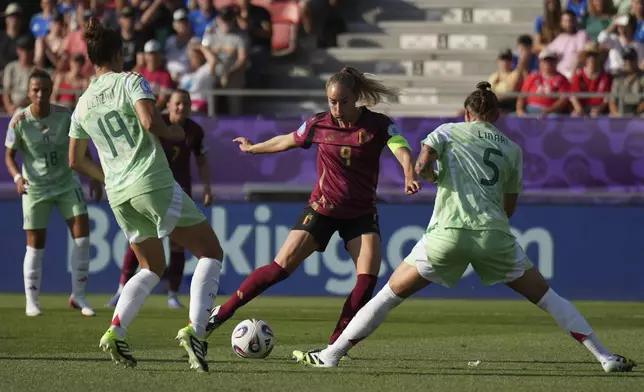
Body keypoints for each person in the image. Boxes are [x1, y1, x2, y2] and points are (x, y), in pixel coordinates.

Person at [294, 82, 637, 374]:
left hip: (448, 233)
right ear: (496, 116)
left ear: (466, 113)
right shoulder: (513, 150)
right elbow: (510, 207)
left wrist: (429, 175)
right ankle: (605, 357)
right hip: (494, 235)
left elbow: (423, 165)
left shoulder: (446, 131)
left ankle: (330, 355)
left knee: (387, 296)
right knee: (549, 298)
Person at [204, 66, 421, 351]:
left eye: (343, 101)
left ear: (355, 97)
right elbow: (287, 140)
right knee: (279, 269)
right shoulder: (319, 124)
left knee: (367, 281)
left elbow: (400, 147)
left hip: (361, 213)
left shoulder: (377, 125)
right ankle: (223, 312)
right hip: (322, 210)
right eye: (332, 101)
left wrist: (408, 172)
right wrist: (253, 148)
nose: (337, 107)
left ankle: (333, 347)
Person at [68, 17, 223, 372]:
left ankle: (116, 332)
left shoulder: (82, 102)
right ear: (119, 53)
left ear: (92, 58)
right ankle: (196, 332)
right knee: (211, 252)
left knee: (151, 266)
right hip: (151, 181)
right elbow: (151, 122)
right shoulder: (131, 81)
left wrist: (105, 175)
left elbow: (75, 160)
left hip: (119, 195)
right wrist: (174, 134)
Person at [4, 70, 100, 317]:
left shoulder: (64, 115)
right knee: (35, 246)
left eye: (45, 89)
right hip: (35, 189)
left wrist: (93, 177)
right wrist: (17, 177)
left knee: (82, 236)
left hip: (67, 184)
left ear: (51, 91)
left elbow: (81, 145)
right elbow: (9, 155)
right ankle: (32, 300)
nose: (40, 94)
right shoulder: (19, 121)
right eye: (35, 89)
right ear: (28, 92)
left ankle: (78, 296)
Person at [107, 89, 214, 309]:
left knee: (178, 243)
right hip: (151, 188)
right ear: (169, 104)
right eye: (177, 103)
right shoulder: (156, 122)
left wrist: (207, 188)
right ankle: (121, 289)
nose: (181, 108)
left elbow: (201, 161)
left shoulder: (195, 130)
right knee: (142, 238)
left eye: (185, 103)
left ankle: (172, 294)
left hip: (180, 190)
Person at [516, 49, 571, 116]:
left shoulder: (562, 79)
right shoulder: (533, 76)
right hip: (530, 109)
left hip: (551, 112)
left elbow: (563, 100)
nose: (548, 63)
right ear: (540, 63)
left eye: (551, 61)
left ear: (556, 62)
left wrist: (548, 111)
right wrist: (520, 110)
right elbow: (522, 95)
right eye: (545, 61)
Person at [570, 43, 613, 116]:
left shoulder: (606, 77)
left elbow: (607, 99)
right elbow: (573, 96)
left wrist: (598, 109)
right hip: (582, 107)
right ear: (585, 58)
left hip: (599, 109)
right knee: (574, 115)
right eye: (589, 55)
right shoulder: (578, 75)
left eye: (595, 55)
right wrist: (579, 109)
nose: (592, 58)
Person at [547, 10, 589, 79]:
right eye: (565, 21)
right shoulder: (559, 38)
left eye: (571, 21)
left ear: (575, 21)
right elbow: (547, 51)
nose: (569, 24)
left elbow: (582, 55)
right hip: (559, 74)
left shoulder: (582, 35)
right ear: (561, 23)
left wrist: (571, 74)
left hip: (576, 74)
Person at [3, 35, 37, 116]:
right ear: (18, 50)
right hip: (13, 108)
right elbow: (6, 91)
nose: (25, 52)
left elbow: (37, 95)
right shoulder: (11, 67)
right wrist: (9, 107)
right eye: (22, 49)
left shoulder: (36, 70)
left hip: (31, 107)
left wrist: (22, 105)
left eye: (28, 49)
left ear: (32, 51)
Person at [608, 47, 644, 115]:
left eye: (631, 59)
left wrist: (635, 113)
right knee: (611, 116)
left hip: (638, 111)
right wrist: (616, 114)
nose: (628, 62)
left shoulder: (642, 76)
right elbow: (612, 101)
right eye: (626, 59)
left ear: (636, 60)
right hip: (621, 109)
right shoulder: (618, 78)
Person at [140, 39, 174, 110]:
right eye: (149, 53)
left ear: (160, 55)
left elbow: (162, 101)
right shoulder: (140, 72)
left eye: (155, 54)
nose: (152, 57)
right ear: (145, 55)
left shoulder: (165, 76)